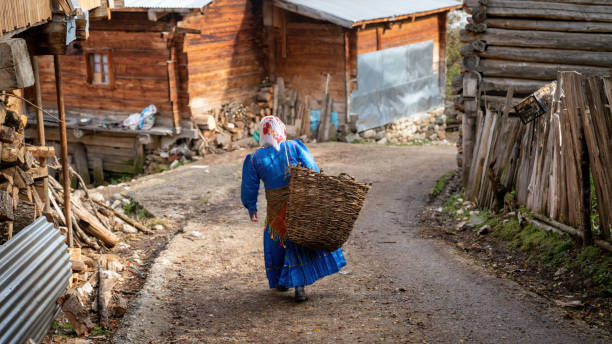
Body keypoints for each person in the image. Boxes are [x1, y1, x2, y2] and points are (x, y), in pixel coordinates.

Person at [241, 116, 346, 302]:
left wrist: (251, 207)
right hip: (298, 204)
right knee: (298, 241)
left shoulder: (254, 158)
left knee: (277, 242)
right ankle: (299, 287)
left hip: (275, 210)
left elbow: (249, 186)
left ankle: (282, 282)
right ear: (280, 129)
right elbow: (311, 169)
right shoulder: (294, 147)